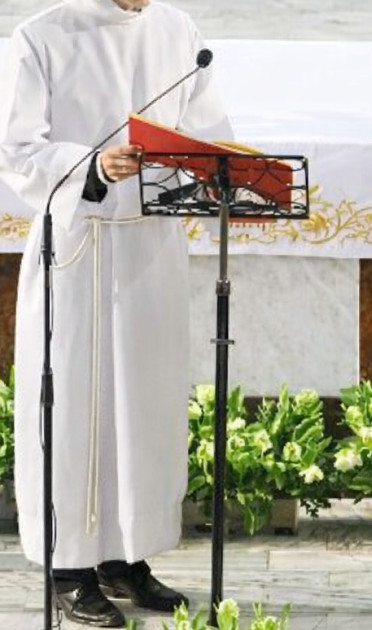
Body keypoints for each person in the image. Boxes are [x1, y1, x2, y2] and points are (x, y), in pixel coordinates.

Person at [0, 0, 232, 626]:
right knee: (77, 409)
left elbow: (208, 130)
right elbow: (17, 149)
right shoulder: (42, 36)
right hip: (79, 244)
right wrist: (93, 164)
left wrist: (211, 166)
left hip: (149, 244)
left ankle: (124, 557)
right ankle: (68, 567)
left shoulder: (177, 29)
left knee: (143, 404)